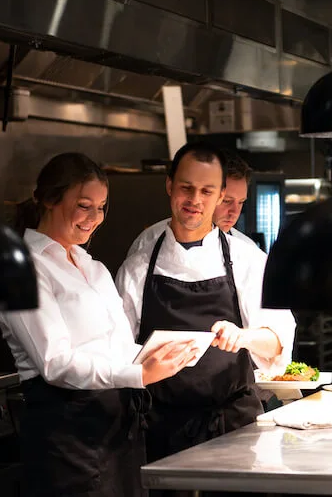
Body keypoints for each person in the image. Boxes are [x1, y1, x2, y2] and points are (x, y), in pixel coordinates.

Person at [0, 152, 198, 497]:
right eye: (84, 205)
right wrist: (139, 374)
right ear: (45, 199)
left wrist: (163, 352)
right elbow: (54, 363)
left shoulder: (94, 268)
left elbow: (116, 348)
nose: (94, 218)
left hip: (118, 429)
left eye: (101, 207)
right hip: (67, 435)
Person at [114, 142, 295, 481]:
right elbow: (118, 349)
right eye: (186, 188)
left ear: (219, 195)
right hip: (158, 427)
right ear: (169, 186)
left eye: (206, 191)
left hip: (232, 425)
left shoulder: (245, 259)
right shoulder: (139, 265)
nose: (195, 200)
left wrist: (244, 337)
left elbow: (279, 341)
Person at [126, 150, 257, 256]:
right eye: (227, 201)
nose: (234, 212)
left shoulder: (249, 252)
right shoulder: (148, 241)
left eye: (240, 203)